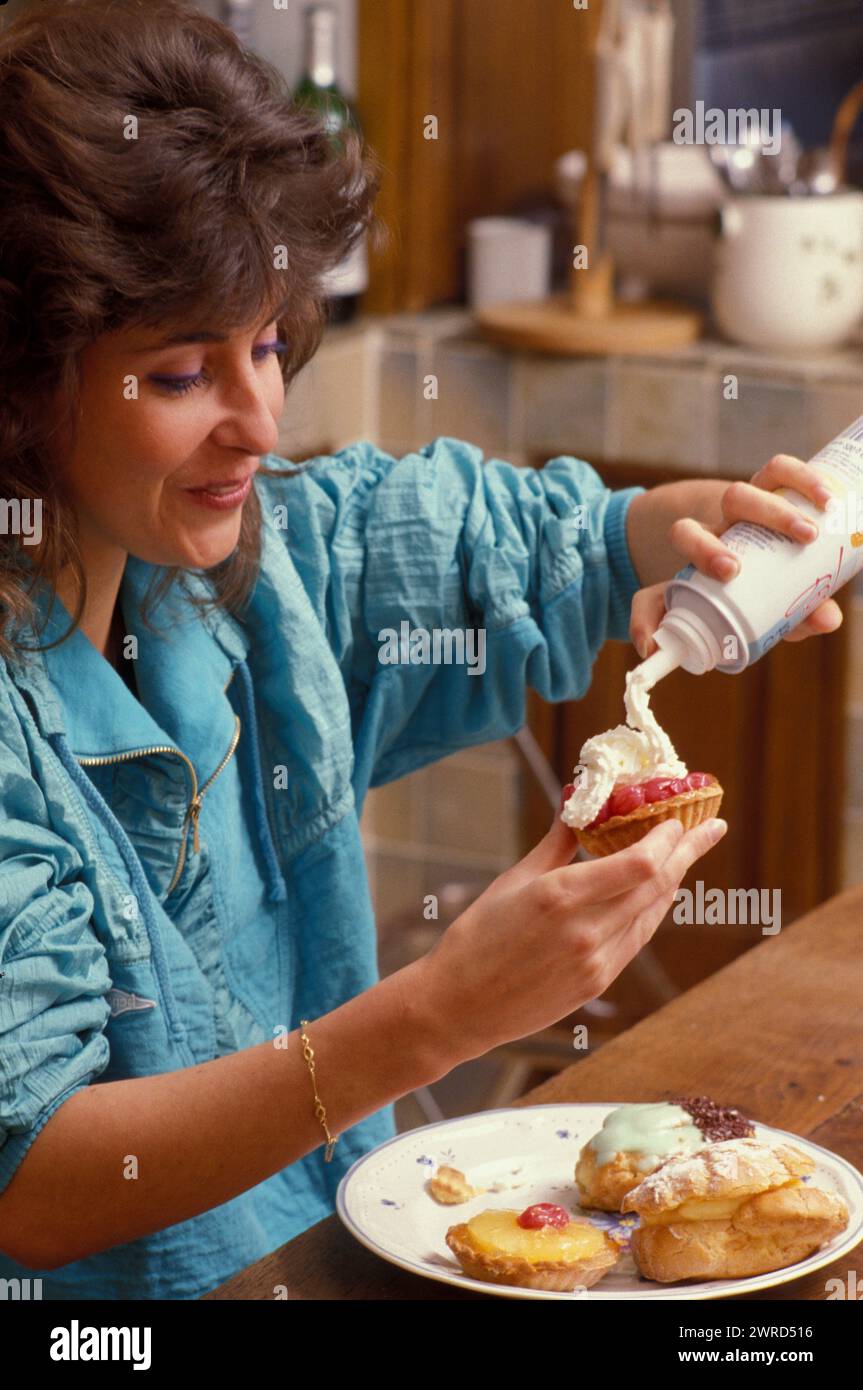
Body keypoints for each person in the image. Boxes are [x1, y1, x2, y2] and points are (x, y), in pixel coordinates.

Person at [0, 0, 841, 1300]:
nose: (262, 422)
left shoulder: (248, 569)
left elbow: (467, 541)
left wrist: (656, 536)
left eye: (271, 343)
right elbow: (38, 1180)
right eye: (181, 376)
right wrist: (436, 1014)